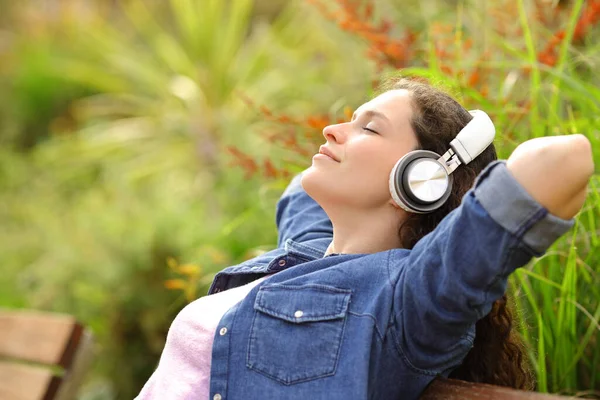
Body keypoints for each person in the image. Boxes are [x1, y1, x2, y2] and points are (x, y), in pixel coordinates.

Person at [136, 78, 593, 400]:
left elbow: (566, 159)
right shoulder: (306, 250)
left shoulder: (408, 300)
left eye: (368, 128)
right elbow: (302, 188)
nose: (331, 130)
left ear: (422, 180)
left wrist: (460, 157)